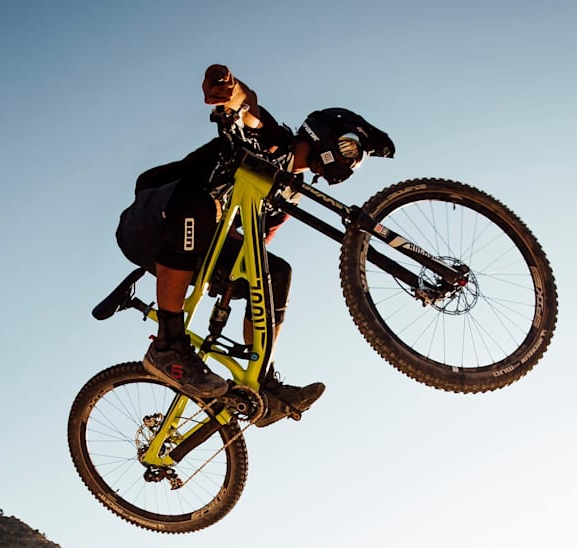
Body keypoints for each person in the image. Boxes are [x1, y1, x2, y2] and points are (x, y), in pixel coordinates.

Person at [115, 64, 394, 427]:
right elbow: (249, 107)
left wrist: (244, 278)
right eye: (349, 148)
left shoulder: (290, 193)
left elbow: (256, 244)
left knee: (274, 273)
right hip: (151, 220)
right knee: (202, 206)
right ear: (325, 133)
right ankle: (168, 343)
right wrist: (227, 87)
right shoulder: (274, 139)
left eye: (357, 159)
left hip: (200, 244)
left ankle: (260, 381)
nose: (352, 161)